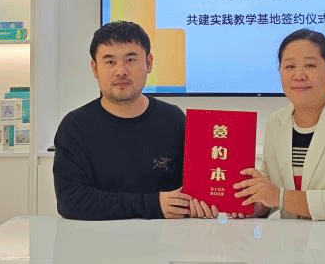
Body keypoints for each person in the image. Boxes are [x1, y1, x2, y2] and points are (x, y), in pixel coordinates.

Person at [53, 20, 212, 220]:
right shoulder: (75, 127)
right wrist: (153, 205)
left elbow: (198, 187)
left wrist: (209, 203)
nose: (121, 71)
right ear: (95, 68)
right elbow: (71, 200)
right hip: (97, 239)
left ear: (149, 63)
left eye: (130, 59)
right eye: (110, 62)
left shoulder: (174, 120)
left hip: (167, 238)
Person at [233, 29, 325, 220]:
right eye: (289, 67)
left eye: (310, 65)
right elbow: (270, 196)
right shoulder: (275, 123)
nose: (299, 75)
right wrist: (253, 204)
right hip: (292, 237)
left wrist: (278, 197)